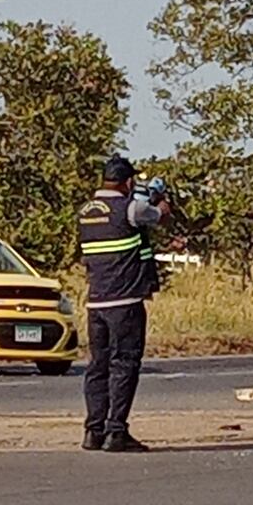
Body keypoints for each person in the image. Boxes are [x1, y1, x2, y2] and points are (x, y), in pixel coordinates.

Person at [78, 156, 171, 452]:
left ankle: (93, 430)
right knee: (124, 365)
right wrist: (161, 205)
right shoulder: (130, 208)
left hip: (96, 303)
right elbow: (155, 216)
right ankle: (116, 431)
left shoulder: (86, 212)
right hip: (125, 302)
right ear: (128, 182)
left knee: (98, 367)